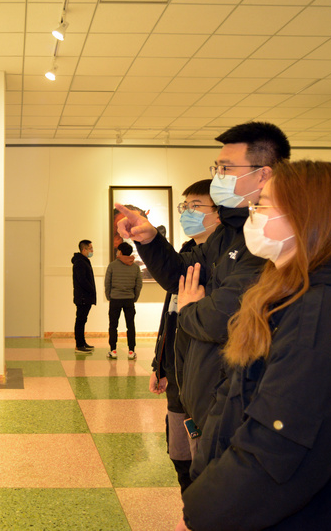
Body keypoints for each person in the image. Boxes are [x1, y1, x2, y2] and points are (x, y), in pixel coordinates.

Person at [177, 160, 331, 530]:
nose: (252, 215)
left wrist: (200, 516)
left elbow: (278, 452)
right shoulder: (280, 295)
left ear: (302, 215)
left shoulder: (324, 317)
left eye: (262, 205)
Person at [117, 121, 290, 439]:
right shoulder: (227, 233)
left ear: (263, 175)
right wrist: (151, 240)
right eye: (217, 168)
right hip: (205, 395)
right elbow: (181, 277)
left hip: (240, 404)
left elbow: (220, 317)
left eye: (226, 168)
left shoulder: (268, 239)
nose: (218, 177)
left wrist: (189, 308)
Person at [150, 179, 219, 492]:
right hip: (177, 379)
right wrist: (159, 364)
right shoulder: (186, 256)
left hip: (208, 384)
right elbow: (171, 318)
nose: (188, 213)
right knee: (181, 462)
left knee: (207, 469)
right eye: (185, 207)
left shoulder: (229, 266)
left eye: (196, 206)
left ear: (221, 213)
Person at [105, 242, 142, 360]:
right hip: (129, 300)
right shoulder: (135, 267)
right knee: (130, 325)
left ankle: (113, 350)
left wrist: (109, 297)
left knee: (113, 325)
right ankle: (131, 351)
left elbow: (107, 284)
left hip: (115, 299)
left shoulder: (112, 265)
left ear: (120, 252)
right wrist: (134, 297)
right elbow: (138, 285)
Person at [72, 239, 96, 353]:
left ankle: (82, 342)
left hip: (85, 296)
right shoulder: (80, 262)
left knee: (82, 320)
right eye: (90, 248)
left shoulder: (84, 261)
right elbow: (82, 280)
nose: (92, 250)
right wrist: (91, 290)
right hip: (82, 297)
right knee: (80, 320)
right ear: (84, 249)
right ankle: (79, 344)